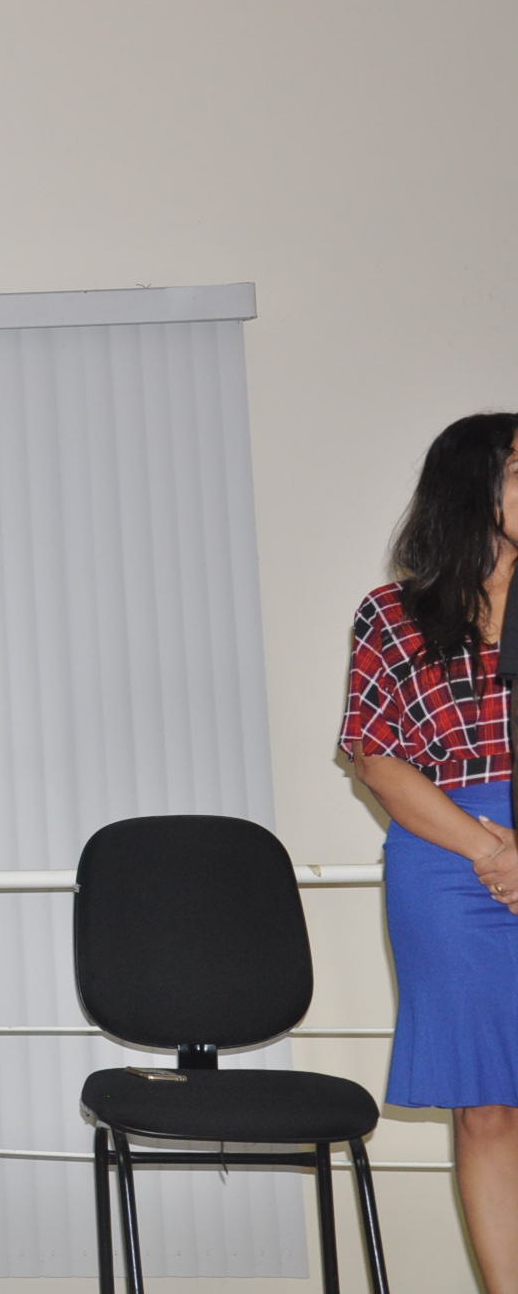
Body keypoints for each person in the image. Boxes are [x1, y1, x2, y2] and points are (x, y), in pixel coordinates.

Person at [341, 411, 518, 1294]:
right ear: (472, 486)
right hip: (447, 863)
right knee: (486, 1110)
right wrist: (492, 849)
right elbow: (376, 756)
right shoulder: (393, 613)